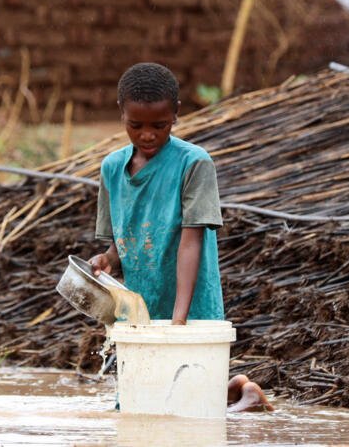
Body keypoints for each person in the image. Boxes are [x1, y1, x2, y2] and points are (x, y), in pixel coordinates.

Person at [89, 62, 273, 412]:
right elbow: (124, 238)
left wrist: (179, 322)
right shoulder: (112, 168)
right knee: (139, 405)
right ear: (121, 115)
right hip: (143, 303)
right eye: (135, 125)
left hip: (189, 299)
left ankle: (246, 399)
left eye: (159, 125)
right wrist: (107, 261)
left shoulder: (194, 164)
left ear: (175, 115)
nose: (147, 135)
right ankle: (235, 391)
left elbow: (191, 240)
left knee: (186, 410)